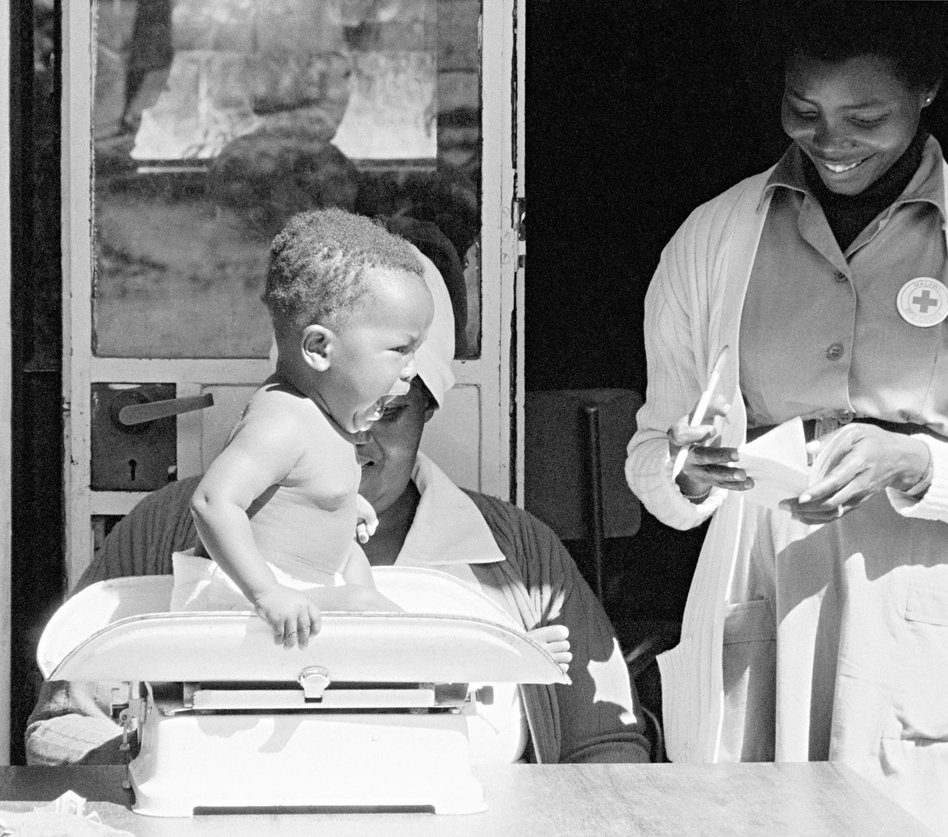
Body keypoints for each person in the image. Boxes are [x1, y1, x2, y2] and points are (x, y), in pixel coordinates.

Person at [624, 4, 948, 834]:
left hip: (930, 602)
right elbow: (653, 459)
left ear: (927, 89)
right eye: (803, 110)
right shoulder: (712, 238)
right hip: (765, 588)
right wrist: (686, 472)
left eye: (864, 117)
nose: (830, 140)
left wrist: (917, 464)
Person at [26, 250, 649, 765]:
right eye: (325, 415)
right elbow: (59, 727)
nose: (356, 439)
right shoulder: (171, 528)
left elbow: (607, 746)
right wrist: (154, 759)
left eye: (390, 413)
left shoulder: (518, 556)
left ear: (428, 412)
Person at [178, 207, 435, 647]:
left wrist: (339, 505)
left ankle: (392, 652)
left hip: (291, 597)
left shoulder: (327, 420)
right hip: (239, 600)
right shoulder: (284, 419)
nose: (412, 369)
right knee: (367, 607)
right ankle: (429, 658)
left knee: (361, 580)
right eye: (400, 350)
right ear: (319, 348)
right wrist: (267, 593)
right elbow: (213, 501)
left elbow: (294, 493)